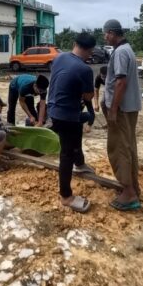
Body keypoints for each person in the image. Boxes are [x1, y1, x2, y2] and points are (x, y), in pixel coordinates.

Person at [48, 32, 97, 214]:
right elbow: (89, 96)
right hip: (65, 114)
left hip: (56, 110)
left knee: (77, 136)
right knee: (66, 153)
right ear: (90, 50)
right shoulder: (84, 69)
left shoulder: (60, 57)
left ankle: (80, 163)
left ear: (74, 43)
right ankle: (66, 196)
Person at [102, 19, 143, 211]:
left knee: (119, 148)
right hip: (130, 107)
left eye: (106, 34)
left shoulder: (119, 52)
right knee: (128, 145)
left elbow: (120, 83)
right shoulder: (128, 50)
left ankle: (128, 193)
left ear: (111, 33)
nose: (105, 37)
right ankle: (133, 186)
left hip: (121, 109)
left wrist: (112, 109)